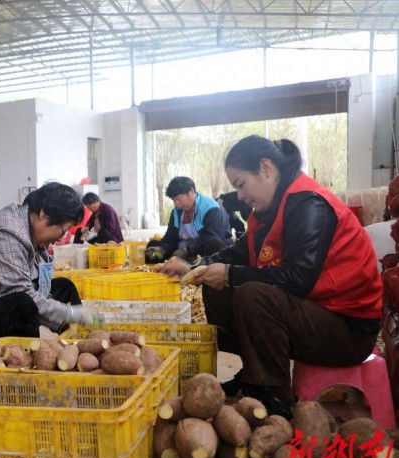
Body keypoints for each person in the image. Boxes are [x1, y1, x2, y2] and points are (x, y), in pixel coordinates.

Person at [160, 136, 382, 419]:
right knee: (215, 285)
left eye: (241, 184)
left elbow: (299, 277)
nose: (239, 196)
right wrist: (195, 267)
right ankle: (254, 374)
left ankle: (274, 397)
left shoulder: (308, 204)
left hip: (347, 330)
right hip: (311, 313)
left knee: (253, 294)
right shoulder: (268, 211)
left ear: (266, 168)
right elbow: (240, 252)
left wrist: (229, 275)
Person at [0, 182, 103, 340]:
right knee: (23, 304)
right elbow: (19, 293)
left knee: (64, 287)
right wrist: (71, 314)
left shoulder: (31, 229)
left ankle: (79, 340)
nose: (58, 239)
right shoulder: (7, 233)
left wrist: (72, 314)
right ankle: (30, 357)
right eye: (62, 230)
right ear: (44, 214)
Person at [145, 176, 232, 263]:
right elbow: (171, 237)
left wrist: (187, 250)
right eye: (173, 200)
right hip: (182, 253)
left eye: (178, 199)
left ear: (191, 191)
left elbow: (210, 237)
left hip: (204, 253)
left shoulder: (210, 208)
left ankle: (199, 270)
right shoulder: (176, 212)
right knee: (153, 246)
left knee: (213, 242)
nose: (177, 204)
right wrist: (162, 248)